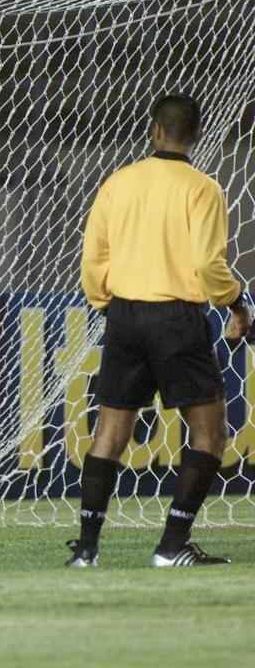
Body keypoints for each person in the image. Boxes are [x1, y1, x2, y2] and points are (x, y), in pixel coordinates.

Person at [68, 92, 253, 569]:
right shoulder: (203, 188)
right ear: (197, 135)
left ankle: (87, 550)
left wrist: (108, 304)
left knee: (110, 432)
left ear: (154, 131)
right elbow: (208, 265)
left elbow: (93, 257)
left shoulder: (118, 182)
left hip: (125, 316)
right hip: (176, 318)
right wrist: (235, 304)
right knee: (209, 433)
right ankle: (171, 546)